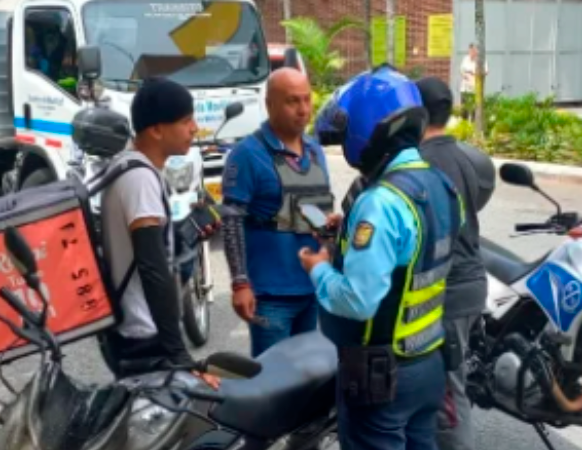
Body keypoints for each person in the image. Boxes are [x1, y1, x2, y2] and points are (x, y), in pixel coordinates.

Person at [300, 66, 464, 450]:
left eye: (345, 137)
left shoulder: (380, 202)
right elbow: (413, 256)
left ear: (365, 131)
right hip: (428, 364)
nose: (345, 148)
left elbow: (358, 301)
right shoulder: (440, 185)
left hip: (381, 375)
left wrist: (319, 269)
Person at [95, 77, 217, 387]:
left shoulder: (131, 168)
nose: (194, 128)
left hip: (135, 331)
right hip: (143, 337)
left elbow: (152, 249)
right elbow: (152, 267)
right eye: (186, 120)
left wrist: (188, 230)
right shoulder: (140, 179)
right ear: (157, 129)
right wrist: (178, 354)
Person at [221, 68, 335, 357]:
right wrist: (239, 282)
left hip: (313, 288)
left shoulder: (314, 150)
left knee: (310, 380)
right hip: (270, 296)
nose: (303, 109)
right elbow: (231, 219)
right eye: (292, 101)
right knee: (272, 384)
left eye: (307, 100)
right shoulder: (247, 154)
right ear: (269, 104)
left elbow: (319, 212)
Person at [412, 77, 496, 450]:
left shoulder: (423, 162)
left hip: (448, 288)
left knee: (449, 392)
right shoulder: (465, 156)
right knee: (448, 380)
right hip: (472, 282)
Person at [459, 44, 488, 121]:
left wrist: (474, 73)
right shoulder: (465, 59)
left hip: (475, 88)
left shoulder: (481, 60)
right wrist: (464, 74)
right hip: (465, 88)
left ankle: (473, 126)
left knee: (474, 110)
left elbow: (486, 72)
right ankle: (463, 125)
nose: (472, 52)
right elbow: (461, 70)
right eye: (470, 51)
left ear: (476, 51)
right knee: (464, 109)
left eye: (473, 51)